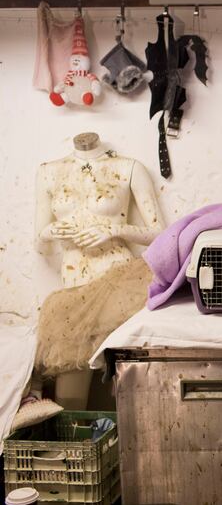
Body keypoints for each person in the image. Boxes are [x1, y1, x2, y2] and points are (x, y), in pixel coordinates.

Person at [33, 132, 164, 409]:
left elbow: (159, 233)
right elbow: (38, 241)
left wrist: (114, 230)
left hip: (119, 280)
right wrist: (51, 231)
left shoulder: (128, 167)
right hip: (74, 286)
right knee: (71, 382)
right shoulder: (49, 172)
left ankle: (129, 437)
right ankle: (76, 443)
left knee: (127, 375)